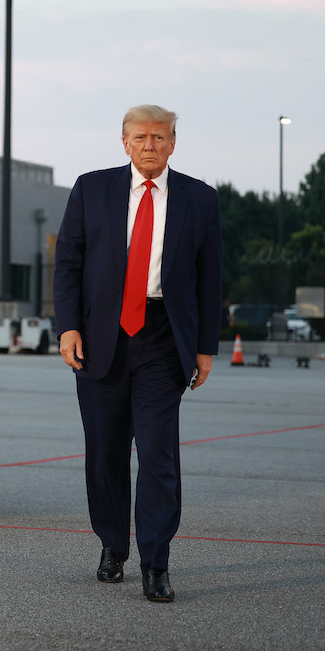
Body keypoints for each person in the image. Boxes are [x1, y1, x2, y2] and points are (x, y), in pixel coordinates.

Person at [53, 105, 222, 602]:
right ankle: (112, 544)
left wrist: (206, 347)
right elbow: (67, 265)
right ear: (124, 142)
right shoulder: (91, 188)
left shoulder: (200, 199)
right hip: (101, 337)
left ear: (173, 144)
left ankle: (156, 562)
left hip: (165, 338)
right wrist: (68, 329)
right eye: (140, 137)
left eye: (159, 137)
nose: (150, 145)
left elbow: (210, 280)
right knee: (105, 455)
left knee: (157, 454)